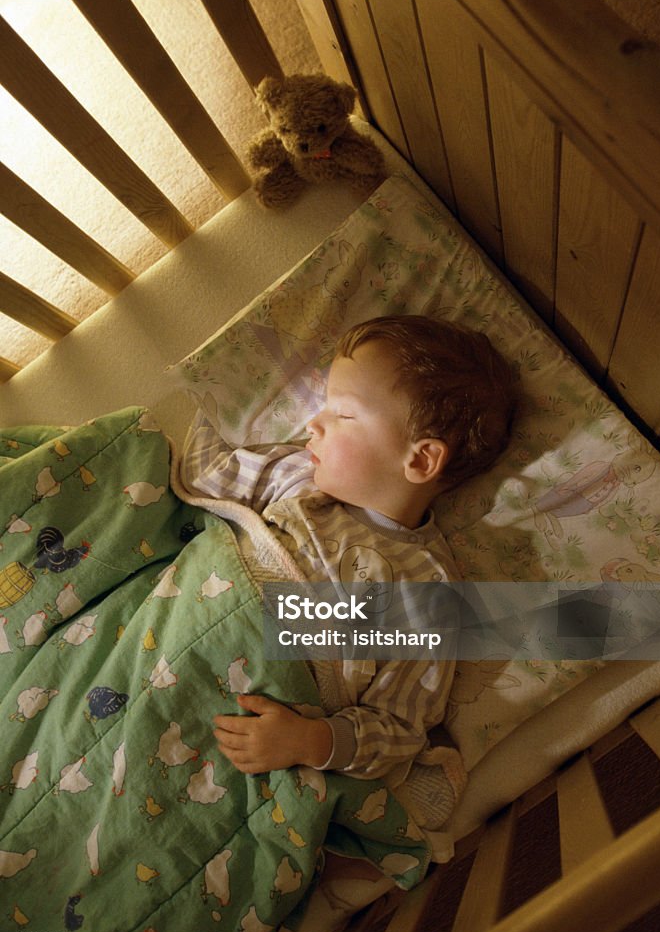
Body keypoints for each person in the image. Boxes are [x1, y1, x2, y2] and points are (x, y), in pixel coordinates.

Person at [180, 313, 515, 834]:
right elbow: (204, 478)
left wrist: (309, 741)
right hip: (187, 617)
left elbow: (399, 726)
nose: (313, 423)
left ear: (421, 459)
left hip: (258, 704)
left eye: (343, 414)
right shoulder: (295, 474)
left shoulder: (425, 587)